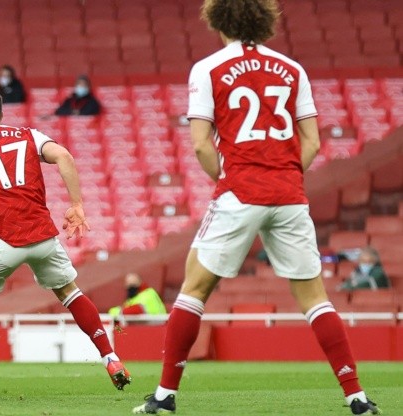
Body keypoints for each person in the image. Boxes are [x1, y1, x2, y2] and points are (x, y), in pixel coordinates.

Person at [132, 1, 379, 414]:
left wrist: (230, 181)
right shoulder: (292, 68)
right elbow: (313, 141)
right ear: (265, 19)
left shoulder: (208, 69)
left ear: (217, 19)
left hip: (240, 192)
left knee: (194, 289)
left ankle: (164, 397)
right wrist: (283, 174)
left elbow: (199, 143)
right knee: (316, 299)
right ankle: (356, 397)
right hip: (289, 195)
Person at [0, 89, 131, 399]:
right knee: (70, 292)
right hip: (43, 236)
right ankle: (111, 360)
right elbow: (64, 156)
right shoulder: (28, 134)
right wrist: (77, 205)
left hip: (0, 239)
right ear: (0, 115)